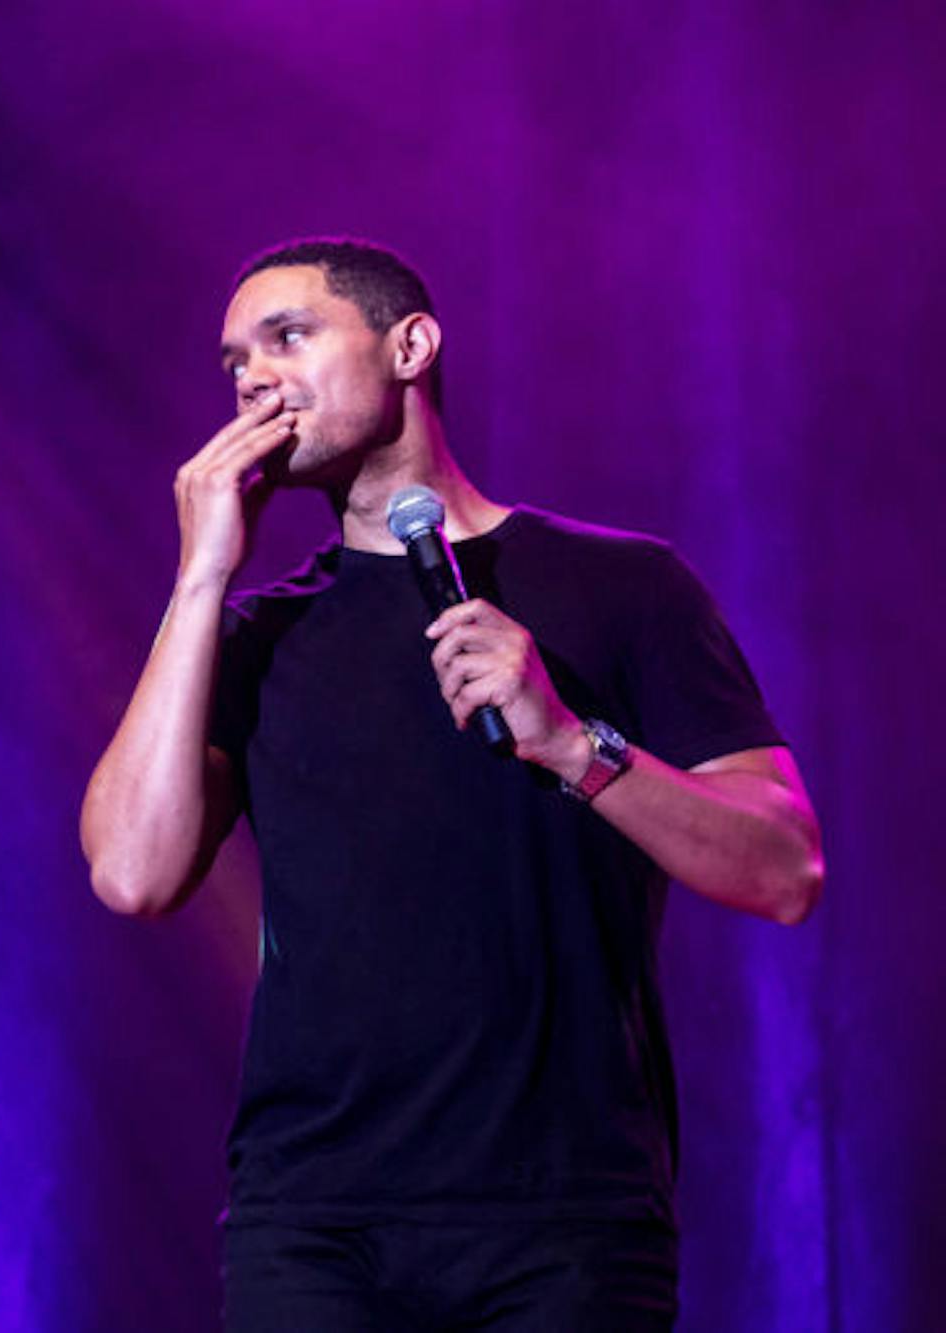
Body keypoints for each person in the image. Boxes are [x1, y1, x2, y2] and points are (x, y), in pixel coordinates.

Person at [77, 238, 824, 1330]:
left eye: (288, 337)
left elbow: (782, 867)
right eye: (234, 360)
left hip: (563, 1221)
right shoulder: (256, 635)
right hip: (314, 1223)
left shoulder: (623, 587)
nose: (252, 379)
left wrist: (572, 744)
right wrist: (201, 575)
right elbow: (132, 873)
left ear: (410, 346)